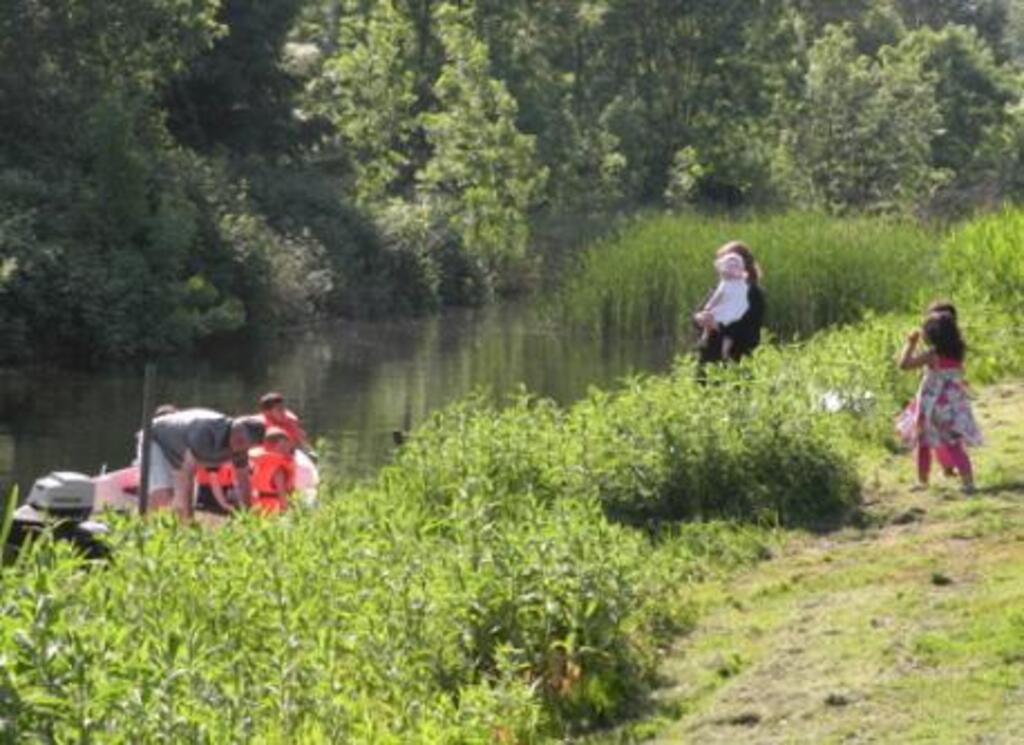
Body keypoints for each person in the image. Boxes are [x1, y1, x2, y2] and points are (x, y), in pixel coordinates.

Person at [897, 308, 982, 494]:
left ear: (932, 336)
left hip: (930, 405)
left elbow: (904, 365)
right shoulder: (958, 352)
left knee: (923, 443)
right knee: (954, 444)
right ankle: (968, 483)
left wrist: (910, 343)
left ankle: (923, 482)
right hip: (952, 405)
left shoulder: (932, 355)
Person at [143, 408, 265, 521]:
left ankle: (176, 528)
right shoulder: (204, 434)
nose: (239, 445)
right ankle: (148, 525)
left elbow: (243, 480)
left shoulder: (240, 451)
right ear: (234, 427)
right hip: (156, 438)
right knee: (164, 496)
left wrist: (247, 516)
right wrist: (189, 520)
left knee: (179, 500)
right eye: (239, 439)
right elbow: (187, 475)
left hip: (180, 452)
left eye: (245, 444)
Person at [696, 240, 766, 367]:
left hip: (736, 360)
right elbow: (698, 313)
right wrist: (700, 318)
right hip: (708, 360)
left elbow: (747, 329)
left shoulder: (753, 293)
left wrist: (717, 326)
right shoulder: (720, 288)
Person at [694, 252, 748, 361]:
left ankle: (711, 342)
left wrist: (708, 306)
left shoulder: (727, 284)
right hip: (735, 311)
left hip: (730, 311)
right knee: (727, 333)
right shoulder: (739, 283)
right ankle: (720, 348)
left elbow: (717, 297)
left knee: (720, 325)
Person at [249, 426, 296, 515]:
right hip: (273, 510)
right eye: (283, 446)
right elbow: (282, 496)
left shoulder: (260, 464)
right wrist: (287, 512)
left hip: (258, 507)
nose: (287, 449)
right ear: (272, 447)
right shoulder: (278, 469)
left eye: (287, 446)